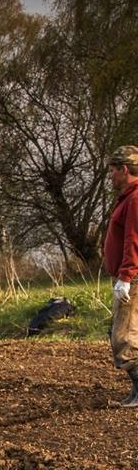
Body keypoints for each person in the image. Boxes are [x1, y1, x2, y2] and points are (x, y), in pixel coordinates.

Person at [104, 145, 138, 408]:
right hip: (130, 274)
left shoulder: (135, 199)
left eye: (113, 171)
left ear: (125, 170)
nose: (111, 176)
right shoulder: (128, 197)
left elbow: (133, 240)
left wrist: (125, 276)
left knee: (122, 337)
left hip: (133, 277)